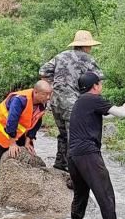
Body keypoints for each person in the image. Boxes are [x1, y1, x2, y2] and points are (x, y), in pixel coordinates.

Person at [67, 72, 125, 219]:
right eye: (100, 84)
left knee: (81, 193)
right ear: (95, 86)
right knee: (105, 193)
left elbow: (109, 115)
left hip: (73, 155)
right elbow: (121, 114)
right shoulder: (93, 99)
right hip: (88, 153)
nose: (101, 86)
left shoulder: (81, 101)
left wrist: (122, 110)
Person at [39, 30, 104, 173]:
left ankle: (60, 162)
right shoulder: (88, 59)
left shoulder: (60, 56)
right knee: (73, 135)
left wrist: (53, 86)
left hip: (55, 101)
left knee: (62, 133)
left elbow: (43, 71)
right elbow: (98, 79)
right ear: (86, 46)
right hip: (73, 103)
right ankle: (72, 168)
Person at [0, 80, 53, 198]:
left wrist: (28, 140)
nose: (48, 97)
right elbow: (12, 120)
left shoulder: (42, 102)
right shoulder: (20, 100)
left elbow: (37, 121)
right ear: (35, 92)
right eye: (45, 94)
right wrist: (12, 143)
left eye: (49, 94)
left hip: (17, 129)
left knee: (24, 151)